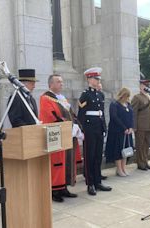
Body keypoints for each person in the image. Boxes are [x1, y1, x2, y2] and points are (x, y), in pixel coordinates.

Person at [39, 74, 79, 202]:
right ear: (51, 84)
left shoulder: (62, 98)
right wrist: (65, 124)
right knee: (57, 163)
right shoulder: (45, 98)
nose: (61, 84)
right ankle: (55, 190)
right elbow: (50, 115)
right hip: (55, 135)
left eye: (62, 81)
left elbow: (71, 113)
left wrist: (75, 124)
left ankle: (63, 187)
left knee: (66, 161)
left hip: (66, 134)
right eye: (58, 82)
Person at [78, 67, 112, 196]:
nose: (98, 80)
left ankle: (98, 181)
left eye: (98, 78)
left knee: (98, 156)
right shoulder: (85, 94)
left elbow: (101, 113)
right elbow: (81, 114)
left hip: (98, 127)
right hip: (89, 128)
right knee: (89, 156)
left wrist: (104, 127)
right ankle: (90, 183)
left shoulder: (100, 94)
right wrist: (82, 130)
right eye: (96, 78)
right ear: (89, 79)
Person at [104, 87, 134, 177]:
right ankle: (119, 169)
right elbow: (114, 117)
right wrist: (124, 127)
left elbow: (132, 116)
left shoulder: (128, 104)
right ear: (122, 95)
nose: (127, 98)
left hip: (127, 132)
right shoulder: (114, 104)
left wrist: (131, 127)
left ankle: (123, 168)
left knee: (125, 151)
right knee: (118, 150)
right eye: (126, 96)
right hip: (118, 131)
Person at [131, 75, 150, 171]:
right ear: (140, 86)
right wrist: (134, 126)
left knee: (146, 145)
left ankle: (145, 161)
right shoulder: (137, 97)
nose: (147, 86)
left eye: (148, 84)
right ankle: (140, 163)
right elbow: (133, 113)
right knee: (140, 145)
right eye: (145, 84)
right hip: (140, 126)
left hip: (149, 125)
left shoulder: (149, 96)